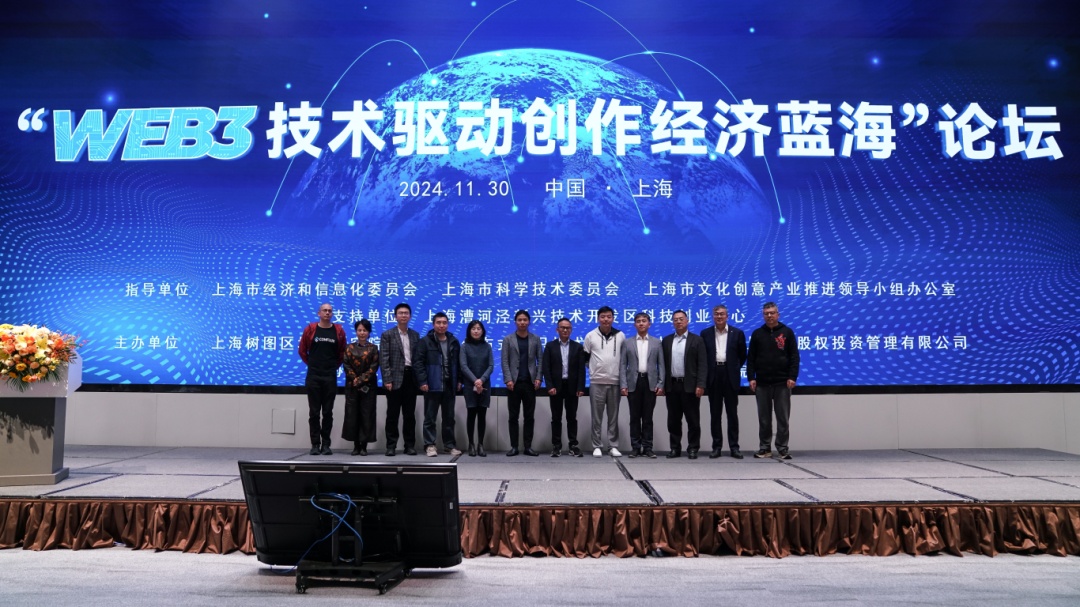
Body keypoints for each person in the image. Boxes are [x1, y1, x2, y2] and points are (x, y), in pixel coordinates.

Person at [746, 301, 800, 460]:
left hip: (782, 383)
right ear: (763, 315)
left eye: (772, 313)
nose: (769, 316)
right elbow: (751, 358)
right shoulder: (757, 333)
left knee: (783, 418)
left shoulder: (787, 332)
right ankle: (765, 448)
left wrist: (792, 377)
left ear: (778, 314)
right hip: (762, 383)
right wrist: (751, 377)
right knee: (764, 418)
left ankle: (782, 448)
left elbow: (794, 357)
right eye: (766, 313)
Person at [298, 303, 347, 455]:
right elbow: (302, 351)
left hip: (329, 376)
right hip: (313, 376)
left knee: (327, 412)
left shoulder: (338, 331)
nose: (327, 313)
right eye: (324, 310)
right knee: (314, 412)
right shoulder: (310, 329)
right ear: (318, 313)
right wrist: (313, 364)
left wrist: (331, 366)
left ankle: (326, 444)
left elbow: (342, 353)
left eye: (330, 311)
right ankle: (315, 444)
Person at [701, 304, 748, 459]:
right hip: (713, 375)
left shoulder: (737, 333)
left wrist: (733, 368)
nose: (719, 316)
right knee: (715, 415)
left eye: (722, 314)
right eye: (716, 314)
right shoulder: (706, 333)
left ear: (727, 316)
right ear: (713, 316)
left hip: (730, 376)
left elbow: (742, 355)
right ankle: (716, 447)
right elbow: (703, 357)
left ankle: (734, 447)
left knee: (732, 414)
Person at [661, 310, 707, 459]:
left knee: (693, 420)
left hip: (690, 386)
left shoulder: (697, 340)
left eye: (681, 319)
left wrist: (700, 384)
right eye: (675, 320)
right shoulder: (667, 341)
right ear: (672, 322)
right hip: (672, 385)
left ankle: (693, 448)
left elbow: (702, 364)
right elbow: (662, 365)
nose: (678, 322)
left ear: (687, 321)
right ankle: (675, 448)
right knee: (673, 420)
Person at [415, 312, 461, 457]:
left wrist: (459, 380)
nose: (441, 325)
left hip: (449, 385)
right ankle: (430, 445)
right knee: (430, 418)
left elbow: (458, 364)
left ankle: (449, 446)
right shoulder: (425, 341)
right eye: (438, 322)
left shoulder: (453, 341)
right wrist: (423, 381)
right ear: (433, 324)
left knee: (449, 418)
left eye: (444, 323)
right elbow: (418, 363)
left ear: (448, 324)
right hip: (432, 384)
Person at [619, 312, 664, 458]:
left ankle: (648, 447)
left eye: (644, 321)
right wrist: (623, 384)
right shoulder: (627, 342)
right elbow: (623, 365)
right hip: (634, 382)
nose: (641, 323)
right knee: (634, 417)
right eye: (638, 321)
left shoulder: (657, 342)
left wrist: (661, 383)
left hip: (650, 383)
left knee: (648, 418)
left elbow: (661, 365)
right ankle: (636, 447)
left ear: (649, 324)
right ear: (634, 325)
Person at [541, 317, 587, 457]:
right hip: (556, 387)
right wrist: (549, 386)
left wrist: (580, 387)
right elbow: (546, 368)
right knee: (556, 418)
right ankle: (556, 446)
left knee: (572, 417)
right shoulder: (550, 346)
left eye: (568, 328)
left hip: (572, 387)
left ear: (571, 330)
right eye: (562, 327)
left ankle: (573, 445)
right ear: (557, 329)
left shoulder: (578, 347)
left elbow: (581, 369)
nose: (565, 330)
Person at [379, 303, 420, 456]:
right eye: (400, 313)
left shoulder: (415, 335)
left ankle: (409, 445)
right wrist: (387, 379)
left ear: (410, 316)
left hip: (411, 378)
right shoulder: (387, 335)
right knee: (392, 414)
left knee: (409, 415)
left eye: (406, 313)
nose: (403, 315)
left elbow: (418, 359)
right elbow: (384, 359)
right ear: (395, 316)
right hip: (394, 379)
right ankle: (391, 446)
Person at [583, 306, 624, 457]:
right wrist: (595, 370)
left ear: (613, 318)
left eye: (609, 316)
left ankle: (613, 446)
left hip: (615, 382)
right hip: (596, 382)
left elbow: (624, 359)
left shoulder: (621, 336)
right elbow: (585, 359)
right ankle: (597, 445)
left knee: (613, 417)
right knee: (597, 417)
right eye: (603, 317)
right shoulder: (590, 335)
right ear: (598, 318)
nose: (606, 319)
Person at [500, 310, 543, 456]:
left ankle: (528, 447)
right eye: (519, 320)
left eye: (525, 320)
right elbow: (504, 361)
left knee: (529, 417)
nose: (522, 322)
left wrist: (539, 378)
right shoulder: (508, 339)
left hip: (530, 383)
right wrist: (508, 379)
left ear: (529, 322)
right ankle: (514, 447)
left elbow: (540, 360)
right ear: (515, 322)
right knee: (513, 417)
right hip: (514, 384)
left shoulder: (535, 339)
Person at [342, 319, 379, 456]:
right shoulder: (349, 347)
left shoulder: (373, 348)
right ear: (356, 332)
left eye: (364, 330)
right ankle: (355, 446)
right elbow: (346, 365)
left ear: (369, 332)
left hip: (368, 387)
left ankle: (364, 446)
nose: (362, 333)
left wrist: (361, 380)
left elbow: (374, 367)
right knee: (353, 416)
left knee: (367, 416)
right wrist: (355, 379)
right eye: (359, 330)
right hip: (352, 387)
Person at [460, 320, 494, 457]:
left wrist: (481, 380)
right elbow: (463, 366)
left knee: (482, 415)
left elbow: (491, 366)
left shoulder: (487, 346)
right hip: (470, 385)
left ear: (482, 331)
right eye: (473, 328)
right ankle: (471, 444)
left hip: (484, 385)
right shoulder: (464, 346)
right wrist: (475, 381)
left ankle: (480, 444)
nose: (476, 331)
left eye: (478, 328)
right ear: (469, 331)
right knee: (471, 414)